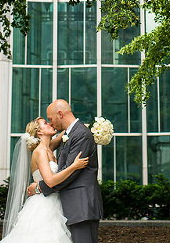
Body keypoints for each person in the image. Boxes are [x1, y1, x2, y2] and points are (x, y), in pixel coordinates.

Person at [0, 116, 88, 242]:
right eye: (46, 123)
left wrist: (90, 126)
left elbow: (69, 129)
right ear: (39, 132)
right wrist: (74, 166)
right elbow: (50, 181)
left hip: (55, 200)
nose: (51, 124)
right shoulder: (40, 151)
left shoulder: (49, 148)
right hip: (44, 205)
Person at [27, 100, 103, 243]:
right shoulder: (69, 135)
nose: (50, 123)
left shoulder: (80, 134)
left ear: (60, 114)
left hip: (81, 205)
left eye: (50, 119)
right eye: (46, 122)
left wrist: (39, 188)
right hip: (69, 207)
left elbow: (70, 175)